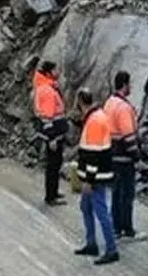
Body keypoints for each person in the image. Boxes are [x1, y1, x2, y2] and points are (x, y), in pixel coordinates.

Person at [73, 88, 119, 265]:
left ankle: (111, 249)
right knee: (86, 207)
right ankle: (91, 243)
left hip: (95, 177)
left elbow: (93, 154)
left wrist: (89, 181)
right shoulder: (98, 116)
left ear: (79, 102)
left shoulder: (93, 121)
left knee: (100, 211)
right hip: (97, 175)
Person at [103, 70, 141, 240]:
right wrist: (137, 158)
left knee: (116, 192)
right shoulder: (123, 108)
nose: (131, 87)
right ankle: (127, 229)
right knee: (127, 194)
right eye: (130, 83)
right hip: (124, 158)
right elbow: (129, 137)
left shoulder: (109, 103)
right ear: (125, 85)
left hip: (111, 154)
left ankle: (116, 227)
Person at [32, 60, 67, 206]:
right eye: (55, 70)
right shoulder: (46, 90)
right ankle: (50, 196)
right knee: (53, 164)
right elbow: (47, 117)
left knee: (55, 163)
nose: (58, 72)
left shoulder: (48, 87)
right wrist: (51, 138)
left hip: (56, 134)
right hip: (54, 136)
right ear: (48, 73)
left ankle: (53, 191)